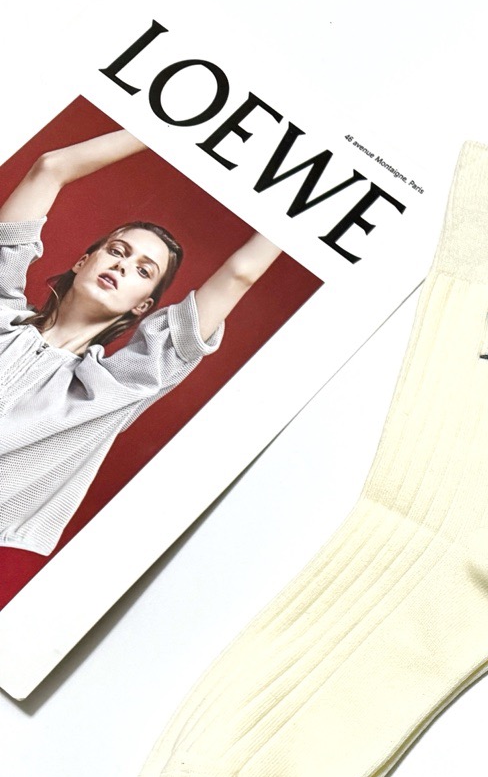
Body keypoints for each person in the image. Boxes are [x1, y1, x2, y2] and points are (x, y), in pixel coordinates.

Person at [0, 128, 282, 556]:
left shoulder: (116, 390)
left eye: (144, 270)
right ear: (83, 261)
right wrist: (173, 124)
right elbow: (50, 168)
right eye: (117, 251)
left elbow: (239, 274)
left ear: (142, 305)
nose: (123, 265)